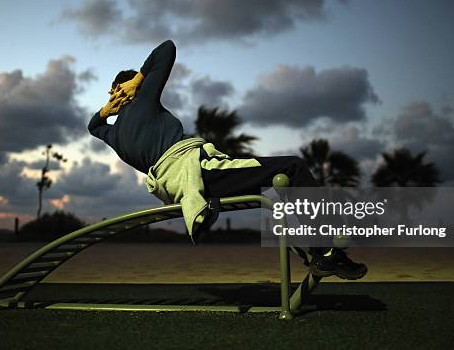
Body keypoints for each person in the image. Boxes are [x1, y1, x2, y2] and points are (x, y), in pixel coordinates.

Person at [88, 39, 367, 280]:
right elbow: (167, 48)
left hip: (177, 185)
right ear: (131, 89)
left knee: (279, 186)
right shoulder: (143, 101)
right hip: (200, 173)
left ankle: (314, 250)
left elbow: (94, 127)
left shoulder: (114, 136)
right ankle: (327, 252)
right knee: (293, 168)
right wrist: (139, 79)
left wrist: (106, 108)